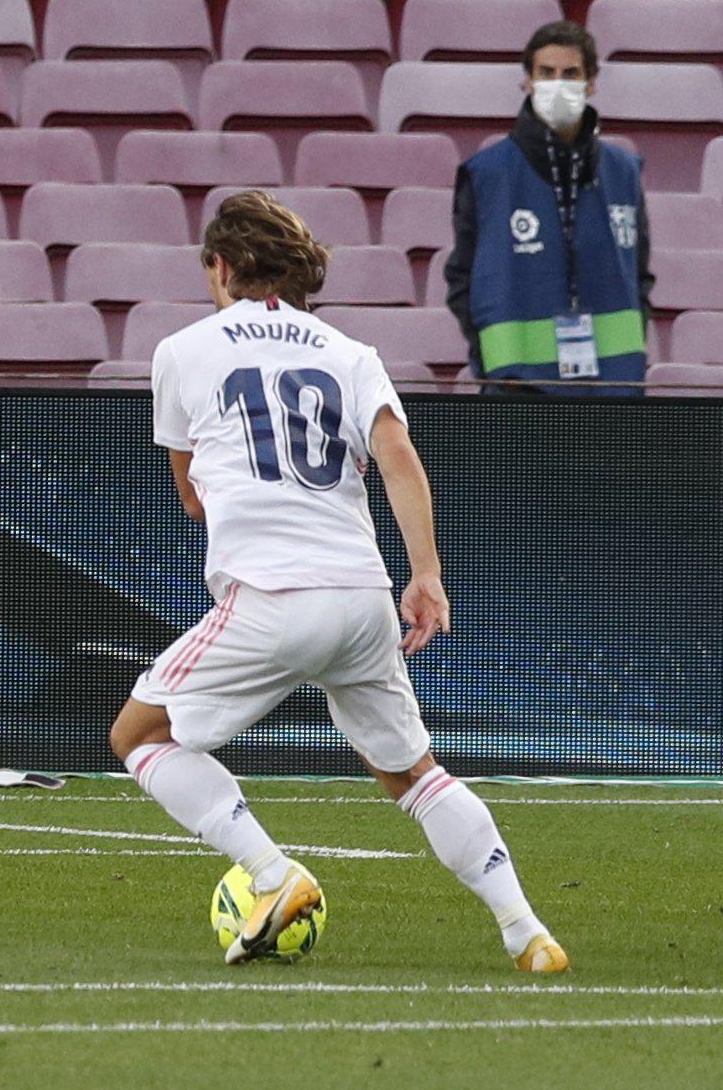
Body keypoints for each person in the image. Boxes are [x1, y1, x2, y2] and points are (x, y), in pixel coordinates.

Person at [111, 192, 566, 972]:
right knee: (416, 776)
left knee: (139, 735)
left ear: (220, 265)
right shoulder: (349, 352)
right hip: (362, 594)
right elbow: (397, 456)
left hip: (272, 596)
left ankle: (271, 873)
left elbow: (192, 497)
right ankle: (527, 931)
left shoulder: (182, 351)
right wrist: (425, 573)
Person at [445, 20, 653, 390]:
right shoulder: (486, 174)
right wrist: (490, 362)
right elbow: (461, 277)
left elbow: (639, 276)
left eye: (570, 73)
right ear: (527, 80)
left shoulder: (623, 171)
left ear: (591, 82)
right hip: (516, 387)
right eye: (546, 72)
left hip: (613, 389)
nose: (558, 83)